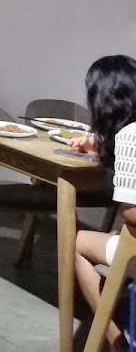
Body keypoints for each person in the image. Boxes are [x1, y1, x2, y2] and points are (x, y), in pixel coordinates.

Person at [71, 55, 136, 351]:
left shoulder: (130, 136)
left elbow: (133, 214)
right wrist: (101, 146)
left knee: (76, 243)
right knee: (113, 234)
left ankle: (114, 338)